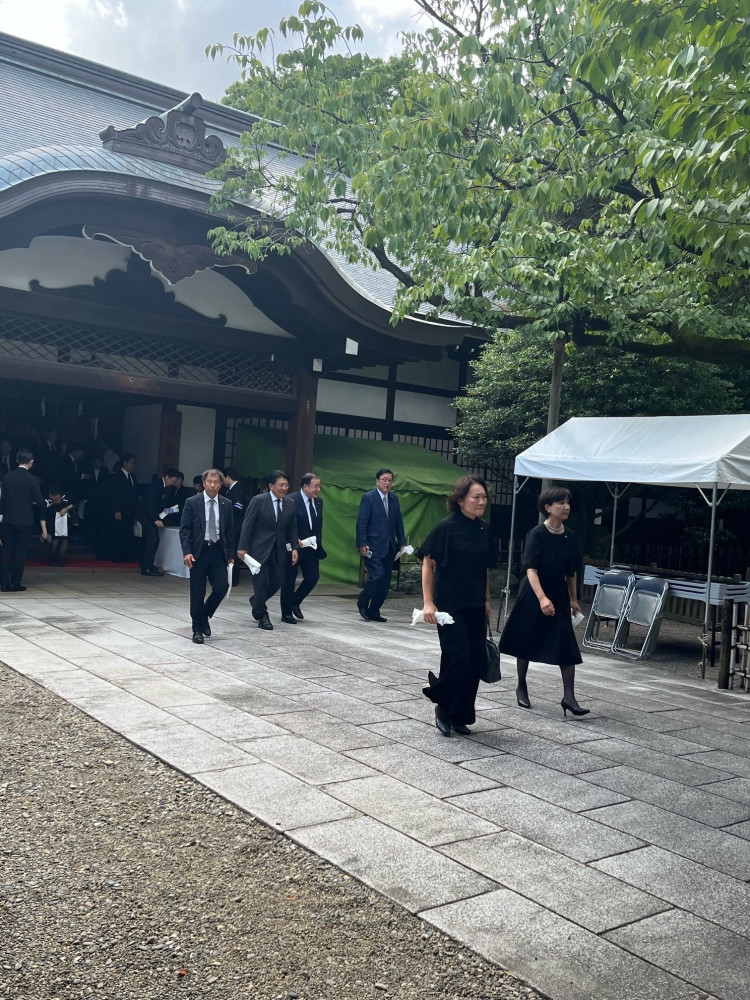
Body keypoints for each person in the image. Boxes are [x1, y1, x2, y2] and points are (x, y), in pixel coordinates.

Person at [499, 486, 589, 717]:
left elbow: (572, 571)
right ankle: (521, 685)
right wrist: (541, 598)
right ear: (548, 507)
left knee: (566, 644)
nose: (566, 506)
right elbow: (531, 569)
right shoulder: (537, 534)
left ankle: (569, 697)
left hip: (558, 592)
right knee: (526, 639)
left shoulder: (570, 537)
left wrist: (573, 599)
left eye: (567, 502)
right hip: (534, 592)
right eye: (561, 503)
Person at [419, 476, 495, 736]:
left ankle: (460, 714)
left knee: (474, 661)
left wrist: (487, 599)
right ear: (460, 500)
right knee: (457, 657)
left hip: (475, 603)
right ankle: (443, 708)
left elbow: (484, 569)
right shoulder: (446, 528)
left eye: (484, 497)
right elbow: (428, 564)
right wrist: (428, 602)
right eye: (476, 497)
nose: (481, 501)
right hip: (449, 605)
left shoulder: (484, 529)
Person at [237, 470, 299, 630]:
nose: (284, 488)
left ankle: (256, 600)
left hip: (279, 549)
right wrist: (242, 547)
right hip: (259, 549)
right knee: (261, 582)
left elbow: (292, 527)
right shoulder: (258, 500)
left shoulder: (290, 503)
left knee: (278, 580)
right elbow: (247, 524)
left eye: (286, 485)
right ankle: (262, 615)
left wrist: (294, 547)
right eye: (281, 485)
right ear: (271, 486)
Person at [179, 468, 234, 644]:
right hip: (199, 551)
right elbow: (185, 530)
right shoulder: (192, 502)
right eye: (209, 482)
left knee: (222, 586)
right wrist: (187, 552)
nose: (212, 485)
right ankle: (197, 628)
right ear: (203, 483)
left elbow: (230, 531)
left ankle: (204, 615)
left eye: (216, 482)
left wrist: (230, 554)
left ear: (221, 484)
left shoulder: (226, 504)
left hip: (217, 551)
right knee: (198, 591)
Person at [355, 468, 405, 622]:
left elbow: (398, 522)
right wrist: (362, 543)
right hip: (372, 546)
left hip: (389, 546)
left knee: (385, 581)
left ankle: (374, 610)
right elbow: (361, 522)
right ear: (377, 481)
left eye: (390, 480)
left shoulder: (394, 499)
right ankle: (362, 601)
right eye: (384, 479)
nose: (387, 483)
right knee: (377, 575)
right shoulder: (368, 497)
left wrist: (402, 542)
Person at [280, 472, 327, 621]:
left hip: (311, 547)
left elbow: (318, 525)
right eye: (315, 486)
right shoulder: (291, 500)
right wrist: (294, 542)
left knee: (313, 577)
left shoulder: (318, 502)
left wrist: (317, 542)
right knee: (289, 580)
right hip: (294, 547)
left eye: (319, 486)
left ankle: (295, 601)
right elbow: (286, 525)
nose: (318, 489)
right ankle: (286, 613)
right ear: (305, 486)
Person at [0, 448, 48, 591]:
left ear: (17, 460)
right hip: (24, 521)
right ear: (31, 462)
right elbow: (39, 500)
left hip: (8, 520)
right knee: (20, 552)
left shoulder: (7, 477)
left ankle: (4, 582)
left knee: (6, 551)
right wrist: (45, 503)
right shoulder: (32, 479)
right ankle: (15, 582)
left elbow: (3, 499)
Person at [137, 468, 180, 576]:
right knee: (153, 537)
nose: (173, 483)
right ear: (167, 477)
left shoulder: (166, 487)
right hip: (144, 514)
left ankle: (147, 564)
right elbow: (149, 504)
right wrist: (155, 519)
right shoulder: (156, 485)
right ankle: (147, 567)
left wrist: (165, 510)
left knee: (154, 538)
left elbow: (157, 503)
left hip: (151, 514)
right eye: (173, 481)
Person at [106, 453, 138, 563]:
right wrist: (117, 510)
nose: (133, 465)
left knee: (127, 532)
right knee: (117, 532)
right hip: (120, 509)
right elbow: (114, 495)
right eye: (132, 463)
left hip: (130, 510)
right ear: (125, 463)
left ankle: (126, 555)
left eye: (134, 463)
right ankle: (116, 555)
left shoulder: (133, 477)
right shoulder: (116, 476)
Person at [221, 469, 246, 586]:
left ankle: (234, 579)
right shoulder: (231, 489)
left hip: (235, 525)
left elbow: (239, 506)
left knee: (233, 552)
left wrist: (226, 513)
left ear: (227, 477)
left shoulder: (238, 489)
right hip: (230, 525)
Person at [42, 484, 74, 566]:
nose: (54, 498)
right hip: (52, 520)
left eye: (56, 496)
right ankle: (52, 559)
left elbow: (74, 503)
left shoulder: (66, 497)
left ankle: (61, 559)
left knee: (64, 539)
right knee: (55, 539)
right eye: (52, 496)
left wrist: (66, 509)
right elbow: (43, 515)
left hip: (65, 519)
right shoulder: (47, 501)